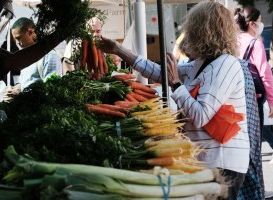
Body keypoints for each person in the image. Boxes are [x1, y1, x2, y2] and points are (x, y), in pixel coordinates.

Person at [99, 2, 249, 199]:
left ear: (203, 31)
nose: (188, 35)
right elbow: (159, 72)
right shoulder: (200, 64)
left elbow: (201, 115)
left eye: (191, 29)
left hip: (222, 161)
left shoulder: (226, 65)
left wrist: (177, 85)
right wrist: (118, 49)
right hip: (203, 159)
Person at [234, 6, 273, 199]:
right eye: (260, 20)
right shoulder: (255, 43)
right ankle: (256, 190)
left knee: (239, 146)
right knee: (254, 148)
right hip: (254, 100)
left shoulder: (233, 41)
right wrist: (271, 101)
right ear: (252, 24)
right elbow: (265, 74)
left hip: (236, 99)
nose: (262, 24)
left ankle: (240, 190)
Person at [5, 17, 62, 95]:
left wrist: (21, 94)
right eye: (16, 40)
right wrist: (17, 88)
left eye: (19, 38)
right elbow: (25, 82)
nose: (17, 43)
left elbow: (52, 90)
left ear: (30, 32)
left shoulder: (49, 56)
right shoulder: (26, 58)